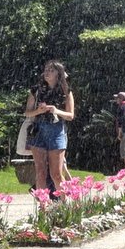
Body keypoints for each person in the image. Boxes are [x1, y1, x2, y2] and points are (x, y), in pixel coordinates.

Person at [24, 60, 74, 196]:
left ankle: (64, 204)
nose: (47, 72)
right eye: (46, 69)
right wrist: (38, 111)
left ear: (59, 73)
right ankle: (43, 207)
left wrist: (56, 110)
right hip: (38, 130)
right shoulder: (36, 90)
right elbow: (27, 113)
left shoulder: (66, 91)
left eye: (51, 70)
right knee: (40, 172)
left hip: (56, 130)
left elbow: (70, 115)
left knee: (56, 173)